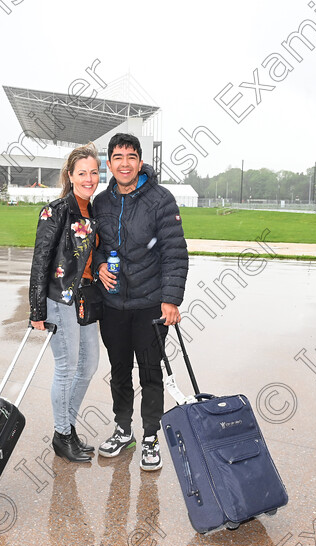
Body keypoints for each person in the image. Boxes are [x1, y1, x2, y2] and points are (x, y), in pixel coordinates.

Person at [93, 132, 188, 471]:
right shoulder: (101, 203)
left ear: (140, 162)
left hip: (150, 305)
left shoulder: (161, 200)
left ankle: (150, 437)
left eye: (131, 157)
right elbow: (97, 245)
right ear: (109, 163)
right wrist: (102, 264)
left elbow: (175, 253)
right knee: (119, 371)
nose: (125, 163)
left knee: (150, 373)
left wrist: (171, 299)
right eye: (118, 157)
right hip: (113, 305)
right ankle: (123, 429)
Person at [29, 143, 102, 463]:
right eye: (82, 173)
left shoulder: (94, 210)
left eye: (94, 172)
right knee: (67, 366)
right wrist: (36, 309)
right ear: (70, 176)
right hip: (59, 297)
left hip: (86, 296)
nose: (89, 178)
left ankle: (68, 428)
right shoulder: (56, 210)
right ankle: (61, 434)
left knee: (89, 365)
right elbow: (40, 259)